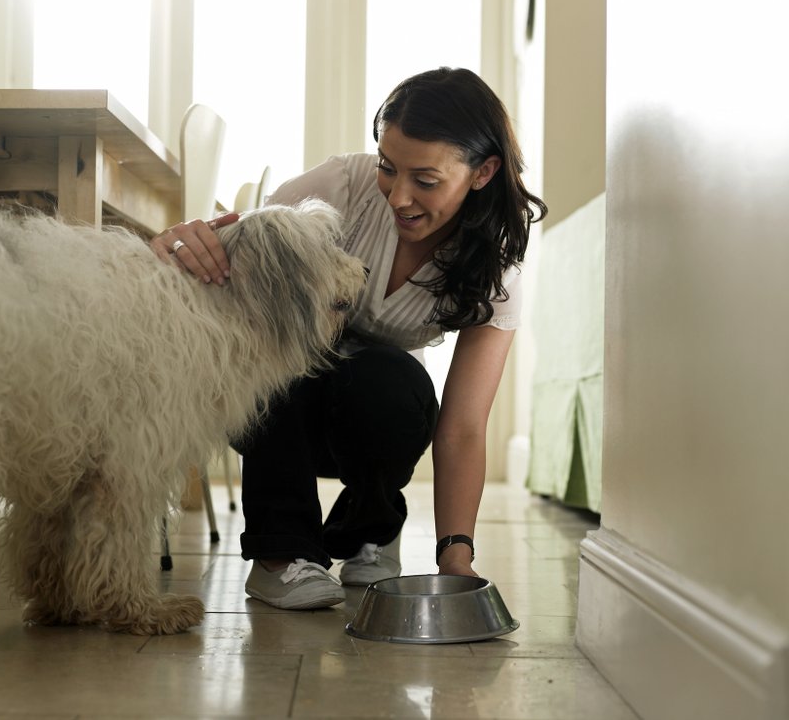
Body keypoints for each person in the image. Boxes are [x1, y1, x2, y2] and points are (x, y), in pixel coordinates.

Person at [151, 67, 546, 610]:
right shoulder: (341, 186)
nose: (399, 197)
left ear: (483, 173)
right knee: (281, 359)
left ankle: (371, 528)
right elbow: (234, 243)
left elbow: (462, 429)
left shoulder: (494, 273)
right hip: (278, 414)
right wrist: (180, 243)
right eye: (389, 168)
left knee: (397, 384)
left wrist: (456, 556)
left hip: (368, 418)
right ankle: (280, 554)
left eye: (425, 181)